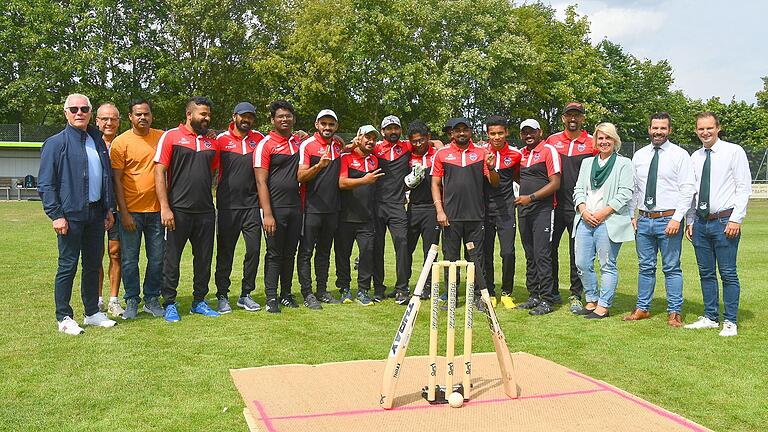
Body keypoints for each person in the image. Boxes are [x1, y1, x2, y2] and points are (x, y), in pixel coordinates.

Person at [38, 93, 117, 334]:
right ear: (66, 113)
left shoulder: (97, 140)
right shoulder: (56, 143)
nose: (79, 112)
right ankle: (63, 317)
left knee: (93, 265)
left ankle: (92, 312)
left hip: (95, 214)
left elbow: (106, 177)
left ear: (90, 113)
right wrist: (56, 215)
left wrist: (108, 209)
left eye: (84, 108)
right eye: (73, 109)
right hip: (70, 215)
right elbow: (46, 183)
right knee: (68, 266)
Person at [684, 112, 752, 336]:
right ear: (696, 130)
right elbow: (693, 193)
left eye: (709, 128)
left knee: (728, 273)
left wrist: (736, 219)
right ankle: (711, 316)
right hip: (701, 223)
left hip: (725, 221)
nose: (705, 132)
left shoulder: (734, 152)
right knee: (706, 273)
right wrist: (690, 220)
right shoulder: (695, 157)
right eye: (701, 129)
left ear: (718, 128)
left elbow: (743, 187)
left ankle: (730, 321)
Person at [154, 96, 221, 322]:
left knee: (203, 259)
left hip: (205, 211)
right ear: (189, 114)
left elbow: (211, 170)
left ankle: (199, 301)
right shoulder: (171, 137)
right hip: (178, 211)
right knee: (171, 260)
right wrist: (165, 207)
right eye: (203, 114)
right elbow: (159, 172)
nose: (207, 118)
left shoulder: (212, 142)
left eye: (208, 114)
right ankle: (170, 303)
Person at [625, 112, 695, 327]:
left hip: (668, 219)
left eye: (663, 128)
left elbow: (688, 189)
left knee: (671, 267)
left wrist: (677, 219)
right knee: (645, 266)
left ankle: (674, 312)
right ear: (649, 129)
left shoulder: (680, 155)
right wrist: (632, 215)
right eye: (655, 128)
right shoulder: (640, 155)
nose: (658, 131)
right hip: (644, 219)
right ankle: (642, 308)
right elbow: (635, 189)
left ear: (669, 130)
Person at [431, 117, 499, 312]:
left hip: (476, 216)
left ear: (470, 131)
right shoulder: (442, 154)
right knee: (450, 258)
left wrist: (492, 167)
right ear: (451, 133)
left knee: (477, 258)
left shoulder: (481, 153)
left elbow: (494, 182)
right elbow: (435, 184)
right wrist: (439, 210)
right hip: (450, 217)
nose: (461, 133)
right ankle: (451, 297)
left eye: (465, 129)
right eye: (457, 130)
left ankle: (479, 297)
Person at [110, 98, 166, 319]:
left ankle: (151, 299)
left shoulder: (161, 138)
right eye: (138, 114)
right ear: (130, 117)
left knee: (157, 258)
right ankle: (132, 299)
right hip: (131, 212)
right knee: (130, 259)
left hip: (157, 211)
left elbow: (186, 136)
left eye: (146, 114)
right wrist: (123, 213)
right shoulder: (121, 142)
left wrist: (208, 134)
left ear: (151, 116)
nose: (143, 117)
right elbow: (116, 180)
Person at [572, 123, 634, 319]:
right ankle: (591, 300)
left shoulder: (624, 164)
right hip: (585, 219)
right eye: (600, 138)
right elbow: (578, 190)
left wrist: (602, 213)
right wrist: (583, 210)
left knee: (607, 264)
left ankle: (604, 306)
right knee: (581, 262)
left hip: (609, 221)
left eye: (608, 138)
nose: (604, 141)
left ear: (615, 140)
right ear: (595, 140)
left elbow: (625, 193)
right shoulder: (587, 163)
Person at [544, 102, 596, 313]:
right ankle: (552, 290)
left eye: (577, 115)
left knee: (578, 253)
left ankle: (576, 294)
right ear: (563, 118)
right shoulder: (552, 141)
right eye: (569, 115)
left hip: (579, 208)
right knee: (549, 250)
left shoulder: (592, 142)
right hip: (554, 206)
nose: (573, 118)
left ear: (583, 118)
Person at [214, 102, 265, 313]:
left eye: (250, 117)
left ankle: (246, 294)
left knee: (254, 250)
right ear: (234, 116)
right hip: (227, 206)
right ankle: (222, 295)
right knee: (225, 252)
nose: (247, 120)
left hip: (252, 206)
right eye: (243, 116)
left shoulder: (259, 139)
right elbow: (210, 167)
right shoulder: (220, 140)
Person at [254, 100, 302, 314]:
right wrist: (268, 214)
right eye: (280, 116)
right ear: (273, 120)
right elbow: (260, 182)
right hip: (275, 208)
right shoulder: (266, 144)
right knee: (274, 253)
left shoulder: (298, 142)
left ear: (293, 119)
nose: (285, 119)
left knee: (289, 253)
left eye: (288, 116)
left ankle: (285, 294)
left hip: (295, 207)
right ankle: (271, 297)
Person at [296, 109, 344, 309]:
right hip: (311, 208)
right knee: (306, 251)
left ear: (336, 127)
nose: (327, 127)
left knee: (324, 252)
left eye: (331, 124)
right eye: (323, 123)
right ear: (316, 125)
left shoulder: (338, 145)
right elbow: (300, 176)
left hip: (332, 209)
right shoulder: (307, 145)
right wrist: (319, 166)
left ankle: (322, 290)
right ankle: (307, 293)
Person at [514, 119, 561, 316]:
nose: (528, 135)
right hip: (524, 210)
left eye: (532, 131)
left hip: (543, 209)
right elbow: (519, 177)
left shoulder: (548, 150)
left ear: (540, 131)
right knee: (530, 254)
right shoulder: (522, 154)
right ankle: (533, 295)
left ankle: (547, 299)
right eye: (525, 132)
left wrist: (530, 197)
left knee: (542, 254)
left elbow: (555, 183)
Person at [335, 125, 385, 305]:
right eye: (367, 137)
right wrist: (364, 180)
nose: (370, 141)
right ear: (358, 138)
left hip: (367, 218)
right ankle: (345, 289)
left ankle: (363, 290)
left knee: (367, 254)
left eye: (373, 138)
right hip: (345, 216)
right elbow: (341, 183)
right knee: (343, 254)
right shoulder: (345, 157)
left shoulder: (374, 160)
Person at [482, 116, 522, 309]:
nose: (496, 137)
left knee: (507, 252)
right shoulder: (480, 153)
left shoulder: (515, 155)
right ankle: (489, 292)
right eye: (492, 134)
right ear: (487, 134)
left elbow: (521, 177)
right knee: (486, 252)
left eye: (500, 133)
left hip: (506, 209)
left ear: (506, 132)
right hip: (484, 210)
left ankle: (507, 292)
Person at [372, 115, 413, 304]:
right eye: (389, 129)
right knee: (376, 247)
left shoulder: (407, 146)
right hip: (376, 206)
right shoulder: (375, 147)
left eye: (396, 128)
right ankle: (378, 288)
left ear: (401, 130)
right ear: (383, 132)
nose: (393, 132)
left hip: (397, 205)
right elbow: (351, 149)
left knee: (402, 245)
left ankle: (402, 288)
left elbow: (433, 142)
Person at [404, 120, 439, 301]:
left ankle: (428, 286)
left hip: (432, 208)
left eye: (421, 140)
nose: (418, 144)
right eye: (414, 141)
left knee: (430, 250)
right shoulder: (407, 154)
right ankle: (403, 285)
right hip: (413, 207)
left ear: (428, 138)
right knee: (406, 248)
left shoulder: (438, 153)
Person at [95, 102, 123, 316]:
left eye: (113, 119)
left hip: (118, 208)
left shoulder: (124, 144)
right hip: (95, 208)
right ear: (97, 121)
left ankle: (114, 299)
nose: (109, 122)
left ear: (119, 122)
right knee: (96, 255)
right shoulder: (91, 144)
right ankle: (98, 299)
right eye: (104, 118)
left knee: (116, 253)